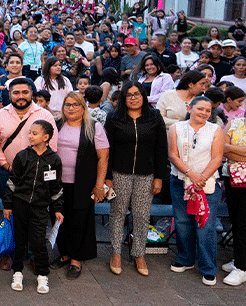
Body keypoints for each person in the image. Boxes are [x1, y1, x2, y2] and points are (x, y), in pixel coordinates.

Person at [104, 82, 168, 276]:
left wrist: (159, 177)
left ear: (143, 96)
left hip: (146, 174)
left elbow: (161, 148)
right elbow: (107, 149)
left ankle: (139, 253)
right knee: (118, 214)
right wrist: (107, 177)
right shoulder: (114, 118)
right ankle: (115, 253)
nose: (133, 97)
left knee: (141, 215)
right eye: (129, 95)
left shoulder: (154, 117)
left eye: (137, 94)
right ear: (123, 98)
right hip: (119, 173)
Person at [52, 91, 109, 280]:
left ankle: (76, 259)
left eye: (75, 105)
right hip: (58, 182)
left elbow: (103, 157)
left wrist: (99, 185)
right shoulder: (57, 124)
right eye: (67, 105)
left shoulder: (94, 126)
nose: (71, 108)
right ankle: (65, 253)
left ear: (83, 107)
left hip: (83, 182)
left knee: (79, 220)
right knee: (60, 218)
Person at [167, 96, 224, 286]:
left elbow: (217, 158)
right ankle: (185, 259)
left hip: (207, 183)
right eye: (200, 109)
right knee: (183, 222)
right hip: (180, 180)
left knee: (206, 225)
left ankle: (208, 267)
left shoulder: (216, 130)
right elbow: (173, 155)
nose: (204, 113)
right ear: (190, 108)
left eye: (208, 110)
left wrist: (202, 178)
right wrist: (191, 174)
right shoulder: (176, 128)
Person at [3, 120, 64, 294]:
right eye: (29, 132)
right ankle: (17, 273)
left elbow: (57, 188)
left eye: (34, 133)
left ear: (46, 137)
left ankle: (43, 276)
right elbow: (12, 181)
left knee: (38, 243)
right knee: (20, 241)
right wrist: (8, 204)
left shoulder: (54, 160)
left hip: (40, 207)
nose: (30, 136)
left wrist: (58, 208)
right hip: (20, 204)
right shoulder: (23, 156)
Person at [223, 113, 246, 285]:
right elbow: (222, 148)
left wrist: (232, 150)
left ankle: (242, 268)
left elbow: (228, 149)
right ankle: (239, 258)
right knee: (235, 221)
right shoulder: (234, 123)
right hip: (232, 179)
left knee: (243, 224)